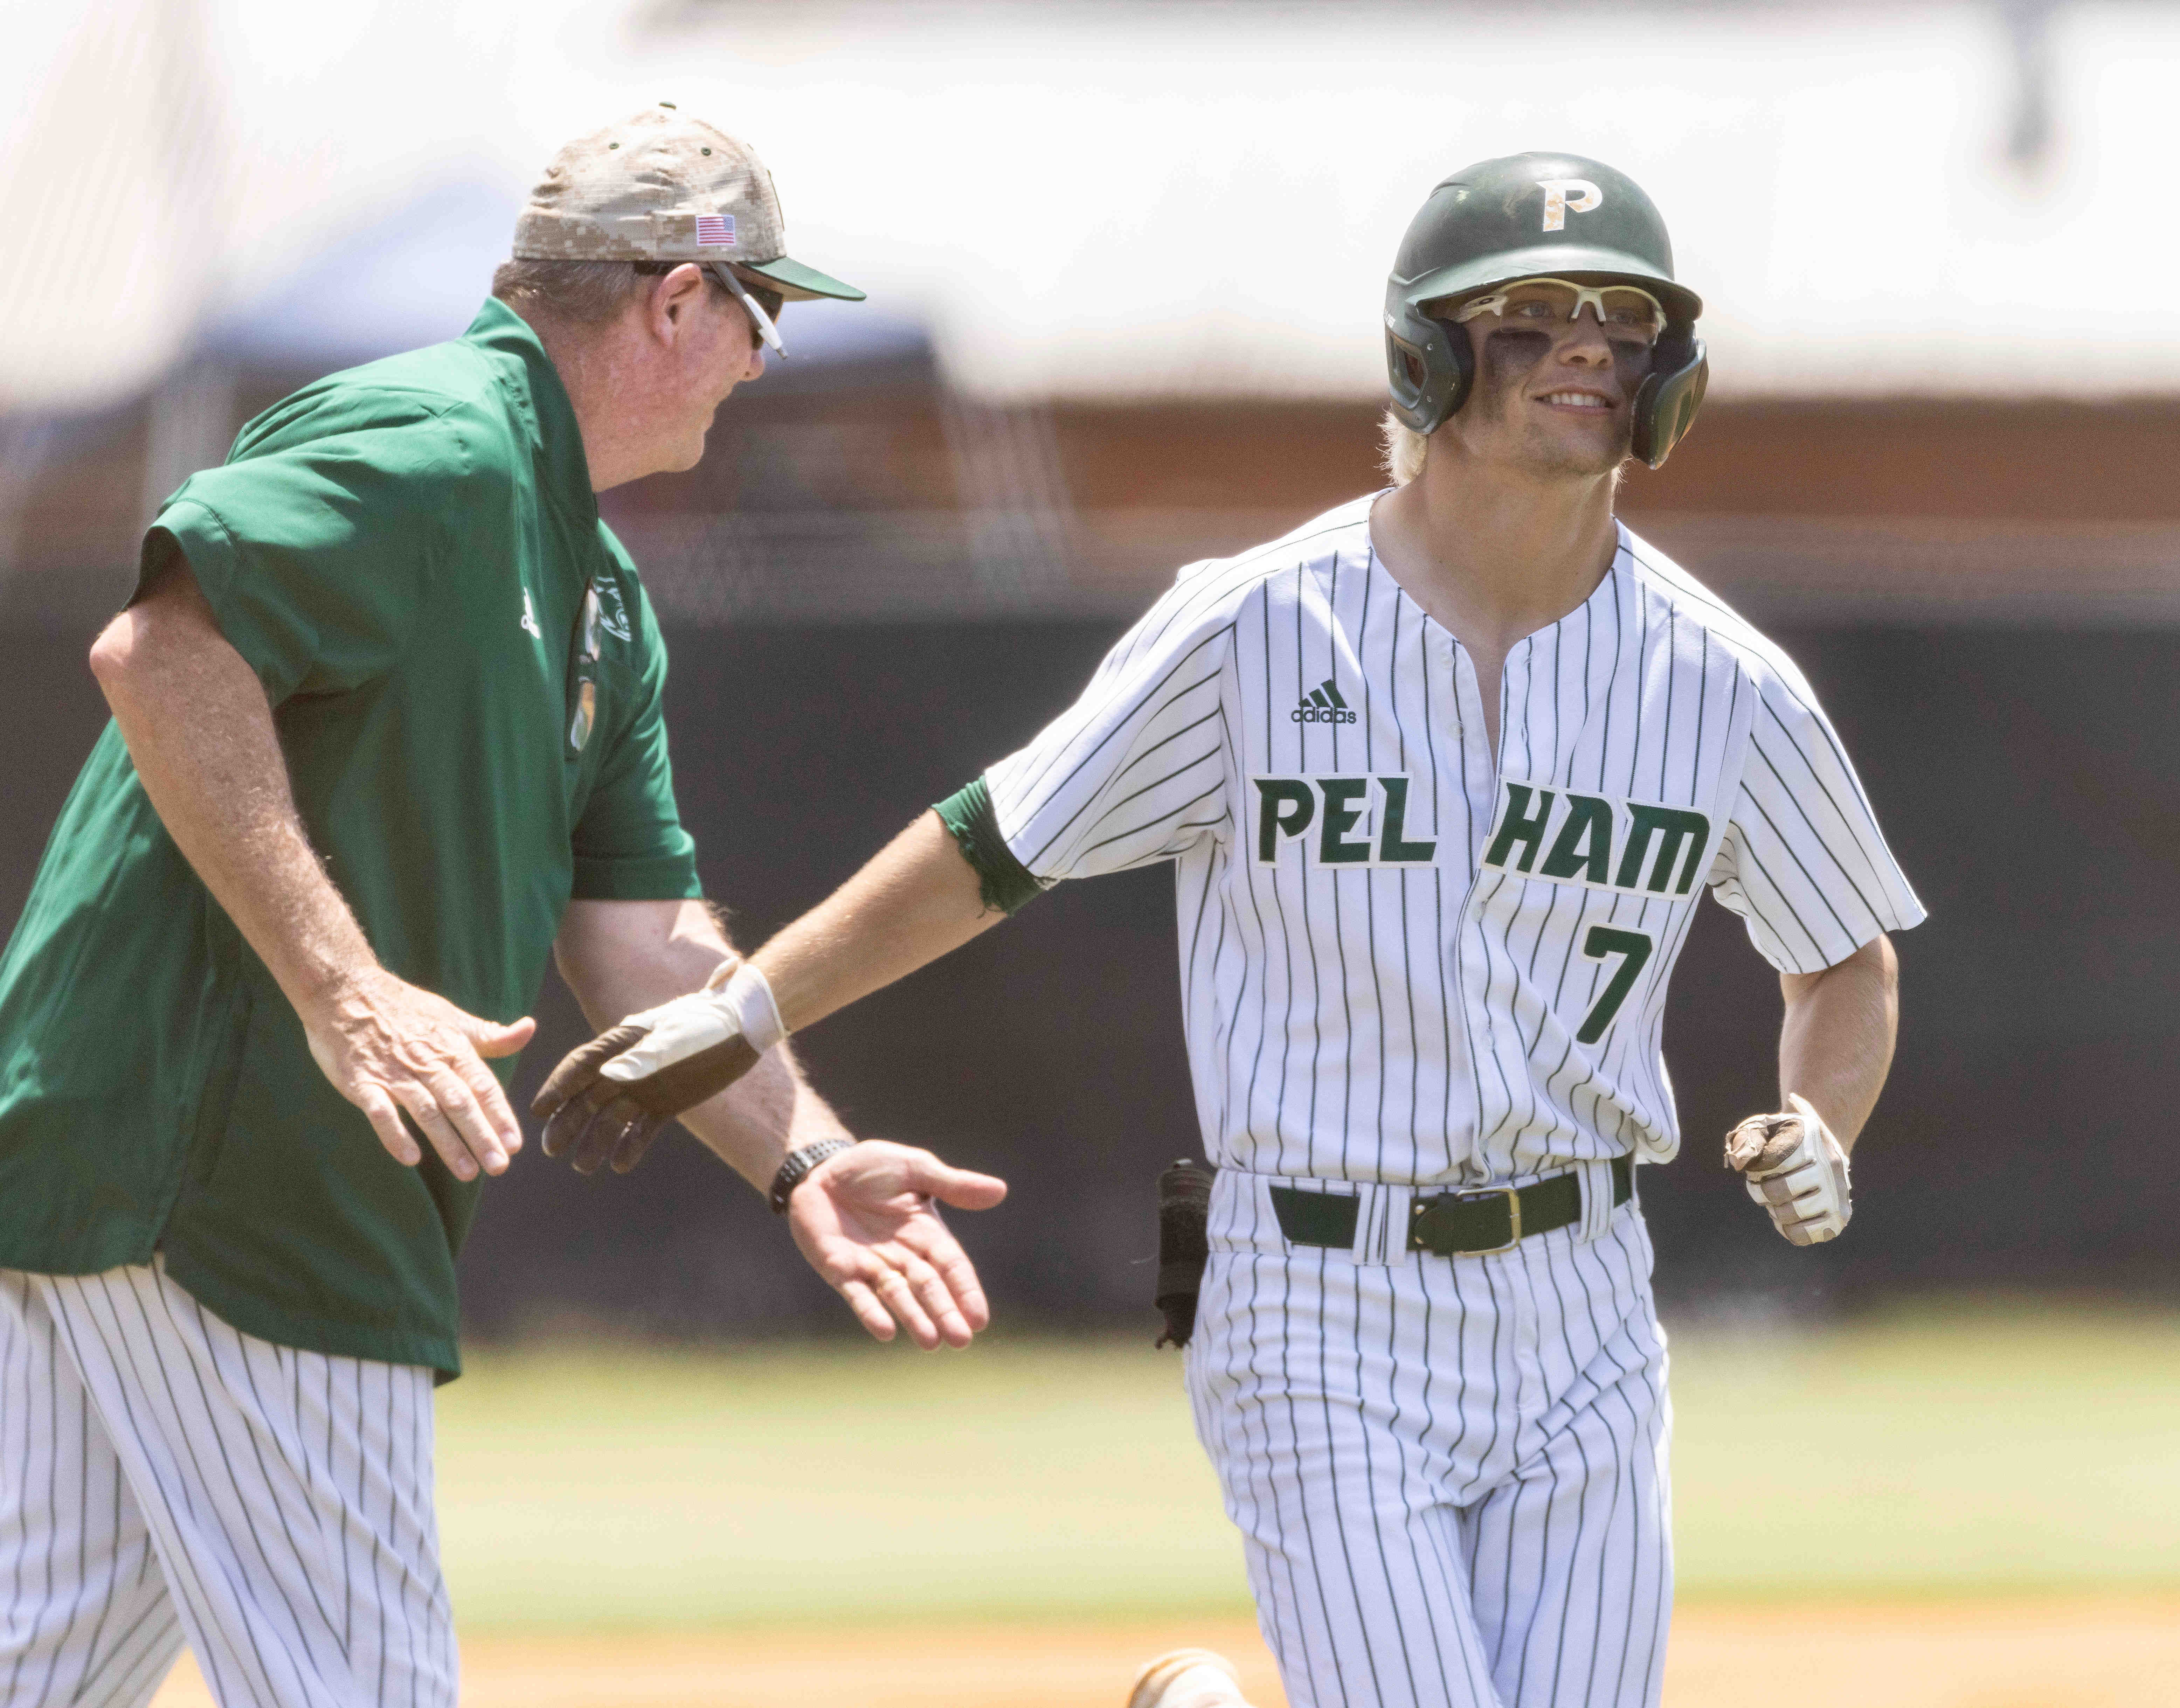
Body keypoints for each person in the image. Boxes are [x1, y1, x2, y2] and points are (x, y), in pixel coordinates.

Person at [533, 152, 1924, 1708]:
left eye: (1624, 317)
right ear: (1426, 349)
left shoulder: (1723, 683)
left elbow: (1842, 951)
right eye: (1528, 315)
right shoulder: (1254, 625)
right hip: (1310, 1284)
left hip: (1583, 1297)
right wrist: (744, 1009)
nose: (1587, 344)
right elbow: (993, 845)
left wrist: (1823, 1118)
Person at [0, 105, 1003, 1708]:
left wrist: (800, 1152)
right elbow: (164, 652)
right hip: (245, 1179)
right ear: (678, 299)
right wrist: (344, 985)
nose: (760, 360)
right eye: (760, 313)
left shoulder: (596, 585)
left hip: (138, 1169)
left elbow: (643, 939)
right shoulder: (441, 441)